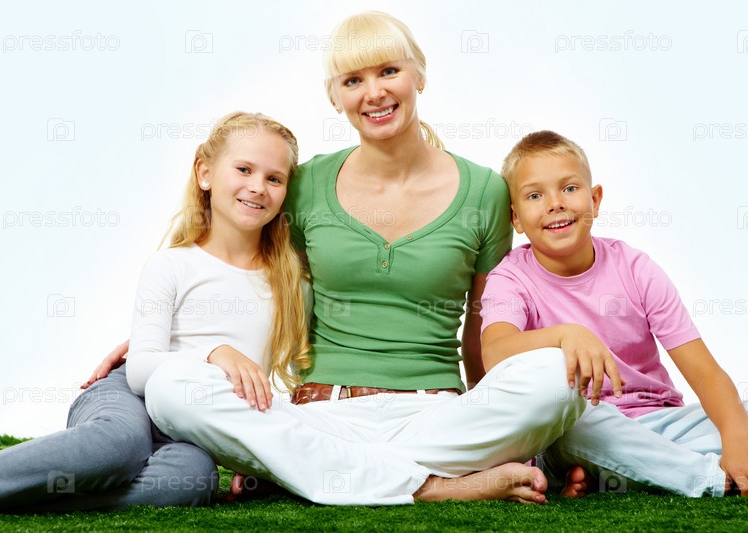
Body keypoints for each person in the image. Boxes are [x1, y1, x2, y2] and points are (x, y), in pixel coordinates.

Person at [138, 11, 597, 506]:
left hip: (438, 418)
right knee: (169, 387)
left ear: (419, 74)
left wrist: (502, 424)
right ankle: (436, 488)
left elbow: (481, 332)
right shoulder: (305, 184)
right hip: (319, 414)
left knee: (558, 377)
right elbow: (252, 268)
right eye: (353, 80)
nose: (374, 93)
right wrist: (167, 328)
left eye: (389, 71)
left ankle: (308, 471)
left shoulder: (485, 191)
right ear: (334, 97)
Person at [0, 111, 311, 512]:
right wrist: (214, 353)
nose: (257, 187)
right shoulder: (171, 264)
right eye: (244, 169)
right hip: (128, 399)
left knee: (194, 479)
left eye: (274, 178)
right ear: (205, 173)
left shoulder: (291, 282)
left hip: (186, 430)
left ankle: (35, 500)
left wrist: (260, 458)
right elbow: (142, 369)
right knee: (119, 445)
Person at [480, 130, 748, 498]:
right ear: (516, 218)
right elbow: (495, 352)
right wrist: (566, 334)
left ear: (595, 200)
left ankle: (632, 474)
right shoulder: (510, 278)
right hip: (575, 431)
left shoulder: (635, 268)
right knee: (574, 422)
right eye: (535, 196)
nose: (555, 203)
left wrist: (738, 443)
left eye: (569, 188)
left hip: (662, 423)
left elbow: (706, 372)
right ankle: (737, 481)